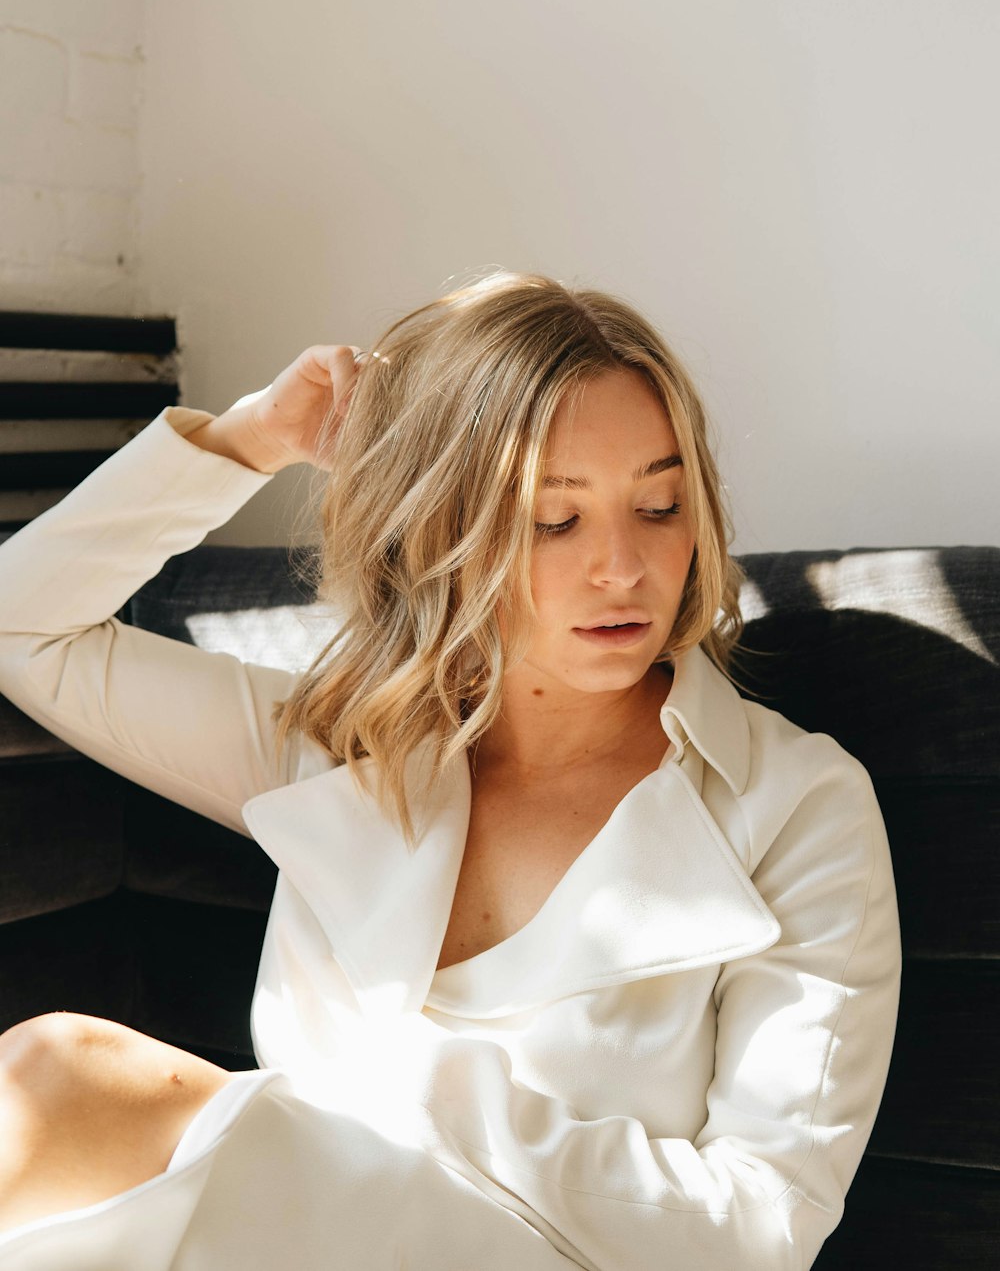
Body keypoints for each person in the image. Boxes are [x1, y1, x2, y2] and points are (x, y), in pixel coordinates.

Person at [0, 271, 900, 1270]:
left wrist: (389, 1083)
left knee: (61, 1079)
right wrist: (251, 441)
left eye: (658, 504)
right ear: (443, 533)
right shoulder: (341, 749)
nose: (622, 566)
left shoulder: (796, 808)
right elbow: (22, 627)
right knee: (49, 1094)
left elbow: (762, 1225)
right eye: (553, 519)